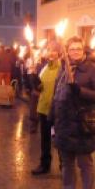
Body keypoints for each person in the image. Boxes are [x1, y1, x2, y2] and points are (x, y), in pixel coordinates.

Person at [51, 36, 95, 189]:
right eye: (72, 48)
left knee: (84, 163)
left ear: (83, 50)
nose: (75, 51)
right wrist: (52, 117)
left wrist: (80, 91)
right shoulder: (62, 68)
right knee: (66, 162)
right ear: (67, 51)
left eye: (78, 48)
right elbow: (57, 93)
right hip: (64, 123)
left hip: (82, 124)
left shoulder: (92, 69)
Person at [31, 41, 61, 175]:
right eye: (49, 50)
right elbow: (40, 87)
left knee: (59, 139)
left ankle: (64, 166)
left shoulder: (62, 68)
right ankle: (44, 164)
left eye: (54, 50)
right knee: (45, 139)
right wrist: (33, 79)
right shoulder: (44, 67)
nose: (51, 53)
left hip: (58, 109)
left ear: (59, 53)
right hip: (43, 108)